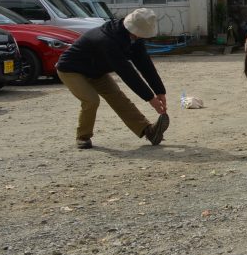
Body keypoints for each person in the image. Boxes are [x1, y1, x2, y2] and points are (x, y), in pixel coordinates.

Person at [54, 8, 169, 150]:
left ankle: (149, 131)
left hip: (97, 71)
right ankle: (83, 137)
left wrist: (160, 91)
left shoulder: (135, 39)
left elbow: (145, 65)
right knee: (91, 100)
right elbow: (127, 72)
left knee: (118, 97)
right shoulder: (107, 40)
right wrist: (150, 98)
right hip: (71, 70)